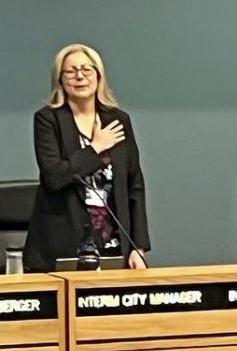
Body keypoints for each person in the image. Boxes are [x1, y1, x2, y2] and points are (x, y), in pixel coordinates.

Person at [24, 44, 150, 273]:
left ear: (98, 76)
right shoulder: (48, 120)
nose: (79, 76)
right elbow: (54, 176)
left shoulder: (118, 121)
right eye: (70, 71)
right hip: (62, 248)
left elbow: (134, 186)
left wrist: (138, 247)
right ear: (60, 79)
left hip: (113, 244)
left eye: (86, 69)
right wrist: (96, 148)